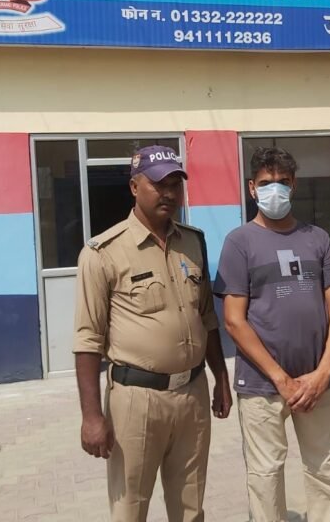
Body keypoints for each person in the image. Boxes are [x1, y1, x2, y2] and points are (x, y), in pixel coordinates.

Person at [73, 145, 232, 522]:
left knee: (190, 507)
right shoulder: (102, 252)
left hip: (192, 394)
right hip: (136, 401)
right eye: (159, 184)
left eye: (175, 184)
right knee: (130, 509)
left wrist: (221, 378)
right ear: (134, 187)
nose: (169, 193)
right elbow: (87, 340)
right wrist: (92, 416)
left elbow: (206, 316)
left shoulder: (193, 242)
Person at [213, 146, 330, 522]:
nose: (275, 190)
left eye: (283, 182)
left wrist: (323, 372)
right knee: (266, 477)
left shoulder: (317, 238)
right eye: (266, 183)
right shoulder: (239, 242)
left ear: (294, 185)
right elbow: (234, 321)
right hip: (262, 385)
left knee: (327, 472)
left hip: (319, 382)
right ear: (251, 187)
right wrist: (281, 379)